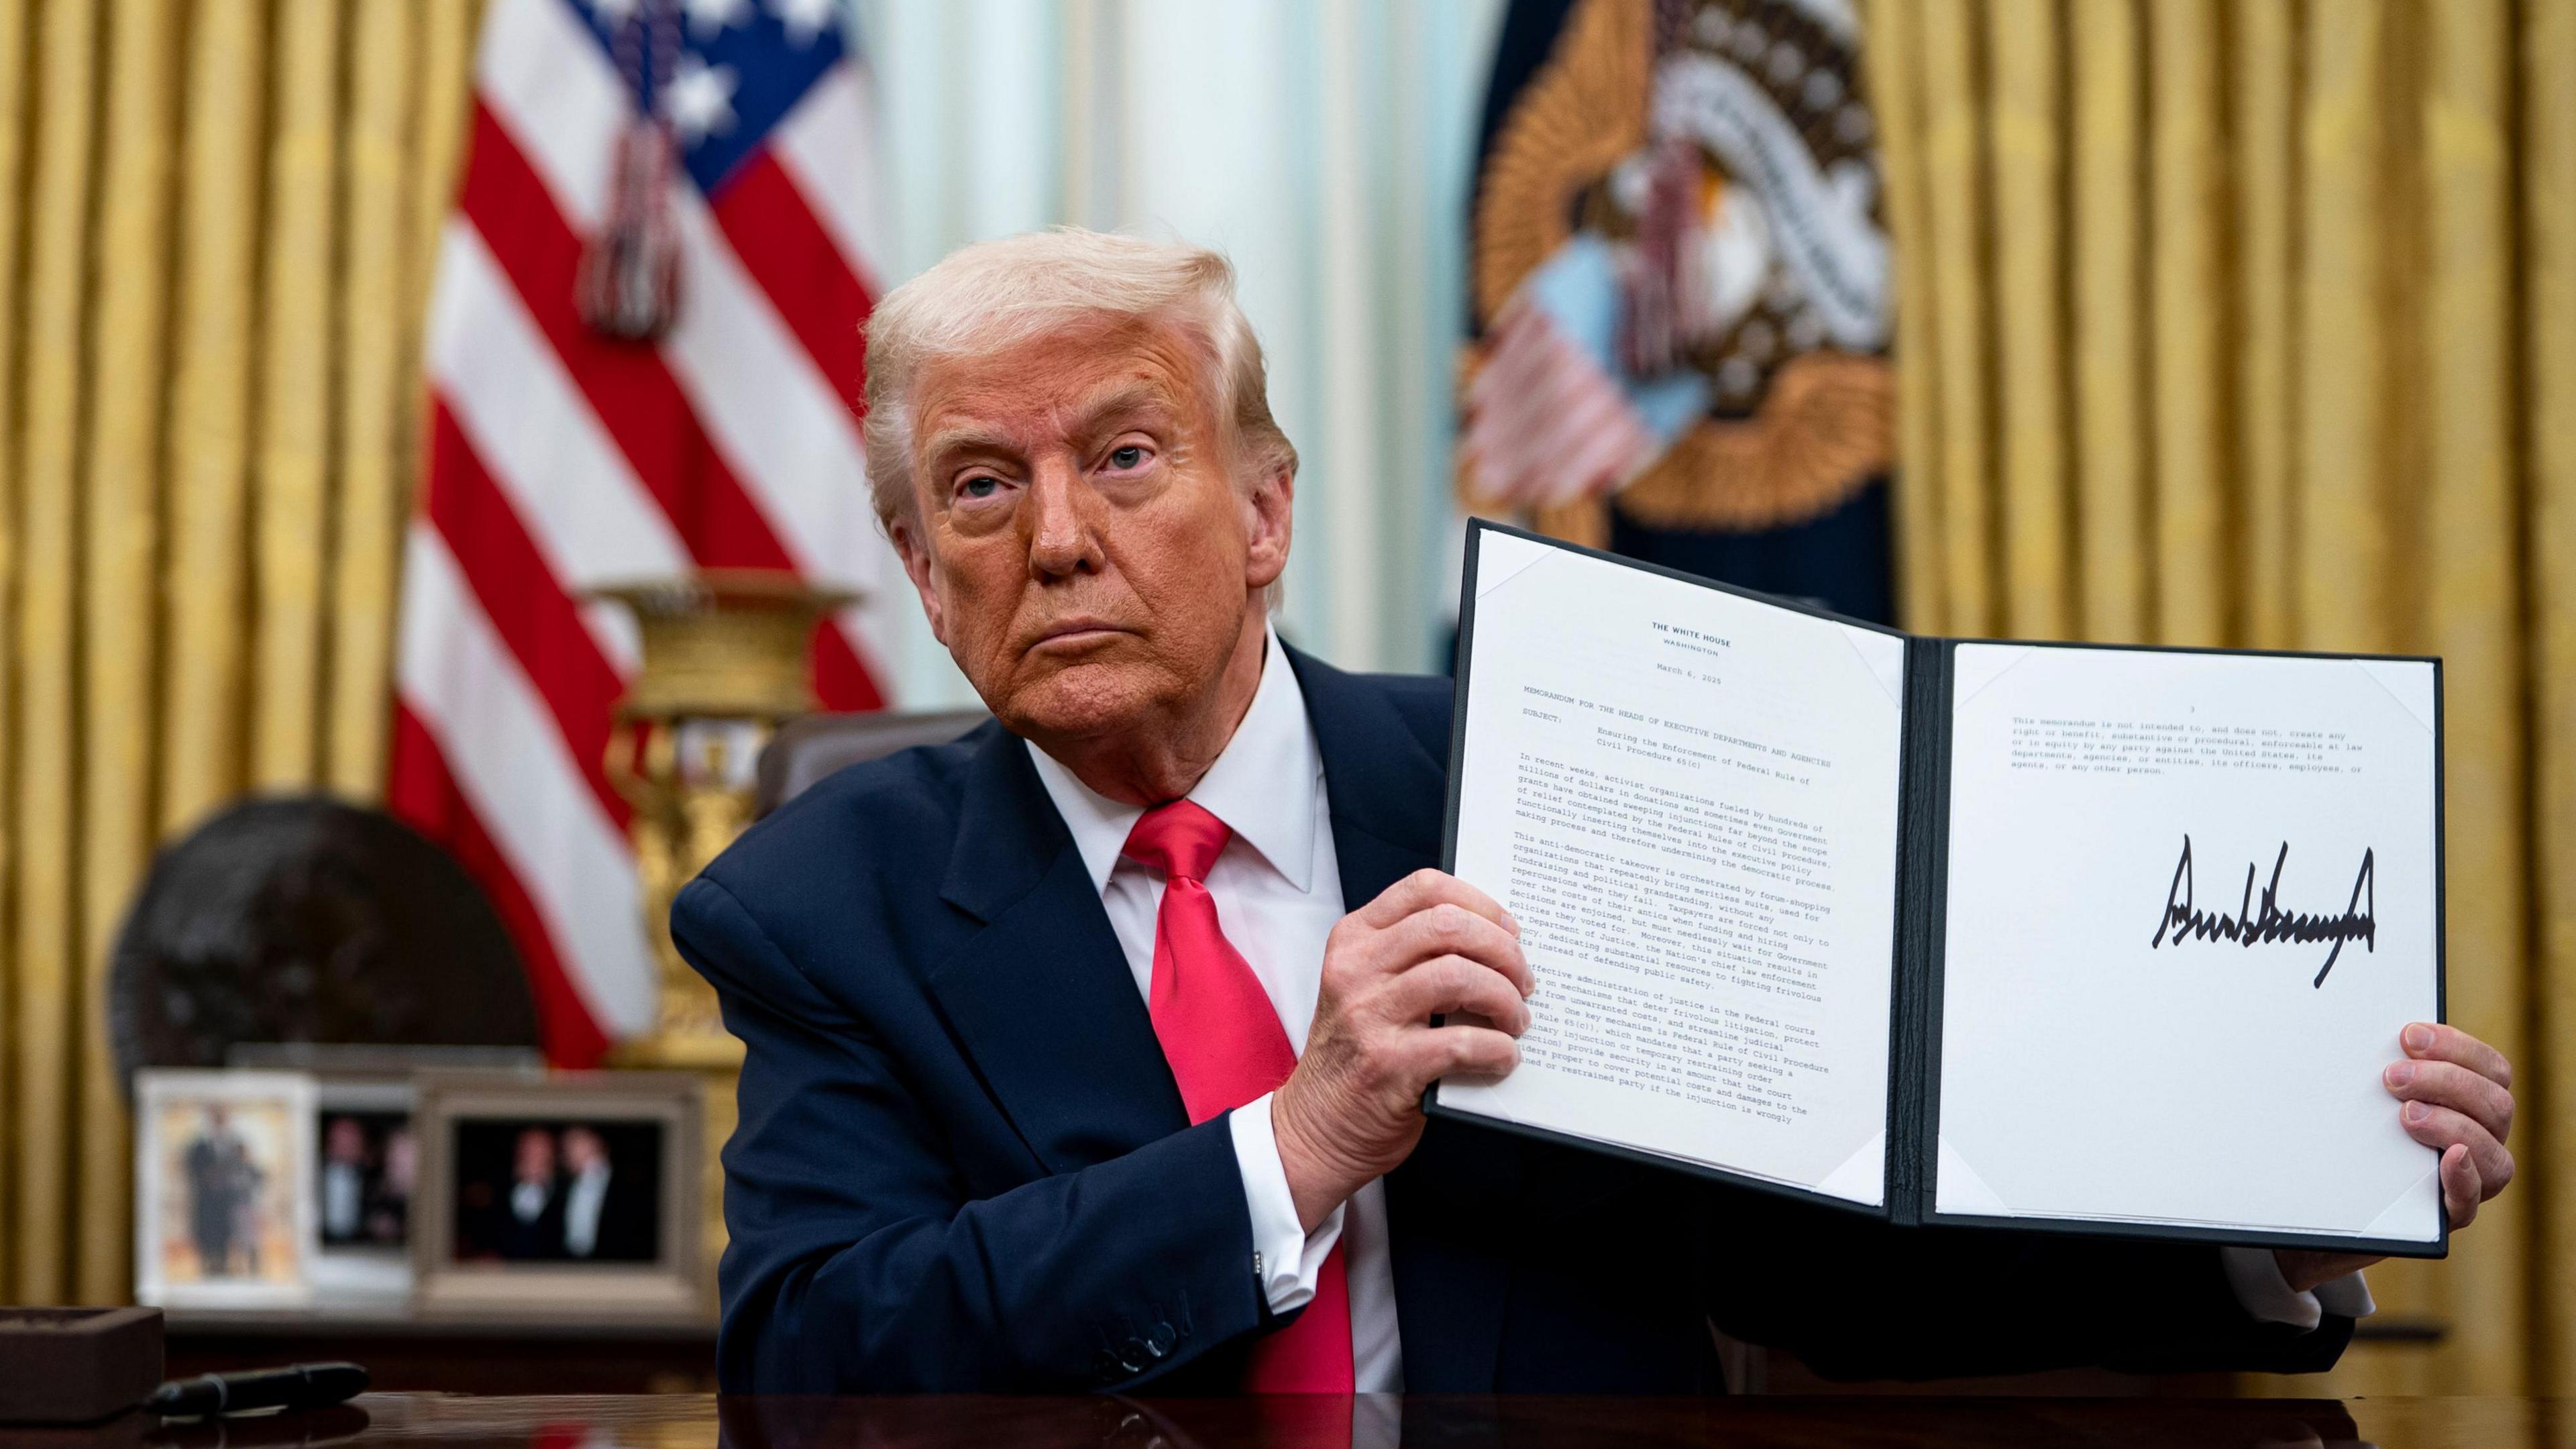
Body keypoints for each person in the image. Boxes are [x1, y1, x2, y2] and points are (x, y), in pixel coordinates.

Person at [672, 229, 2519, 1394]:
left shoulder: (1554, 783)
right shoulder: (824, 898)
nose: (1057, 536)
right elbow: (815, 1356)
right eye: (980, 489)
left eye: (1127, 456)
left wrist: (2268, 1219)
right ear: (920, 570)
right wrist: (1297, 1143)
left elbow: (1830, 1272)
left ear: (1264, 512)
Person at [559, 1124, 657, 1262]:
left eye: (575, 1141)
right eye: (565, 1144)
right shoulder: (563, 1186)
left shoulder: (629, 1185)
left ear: (596, 1143)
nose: (567, 1150)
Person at [496, 1126, 564, 1261]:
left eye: (540, 1149)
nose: (534, 1155)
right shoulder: (497, 1190)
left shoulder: (566, 1193)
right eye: (528, 1149)